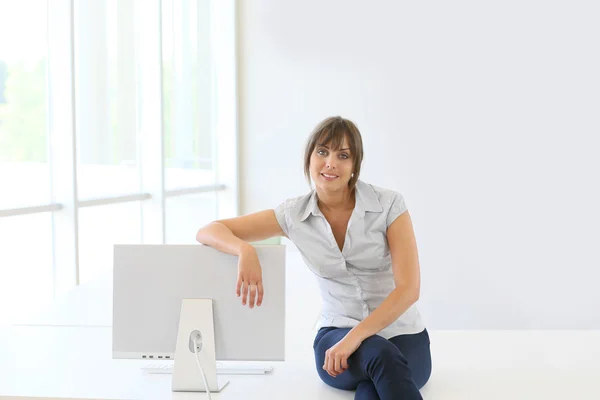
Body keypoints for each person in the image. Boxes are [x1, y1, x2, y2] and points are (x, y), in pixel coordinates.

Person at [196, 116, 432, 400]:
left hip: (402, 335)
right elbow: (209, 230)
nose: (330, 163)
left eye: (343, 155)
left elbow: (409, 289)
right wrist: (244, 250)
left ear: (354, 166)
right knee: (379, 356)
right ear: (309, 157)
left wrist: (355, 338)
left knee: (371, 388)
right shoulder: (293, 215)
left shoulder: (389, 205)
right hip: (335, 337)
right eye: (322, 152)